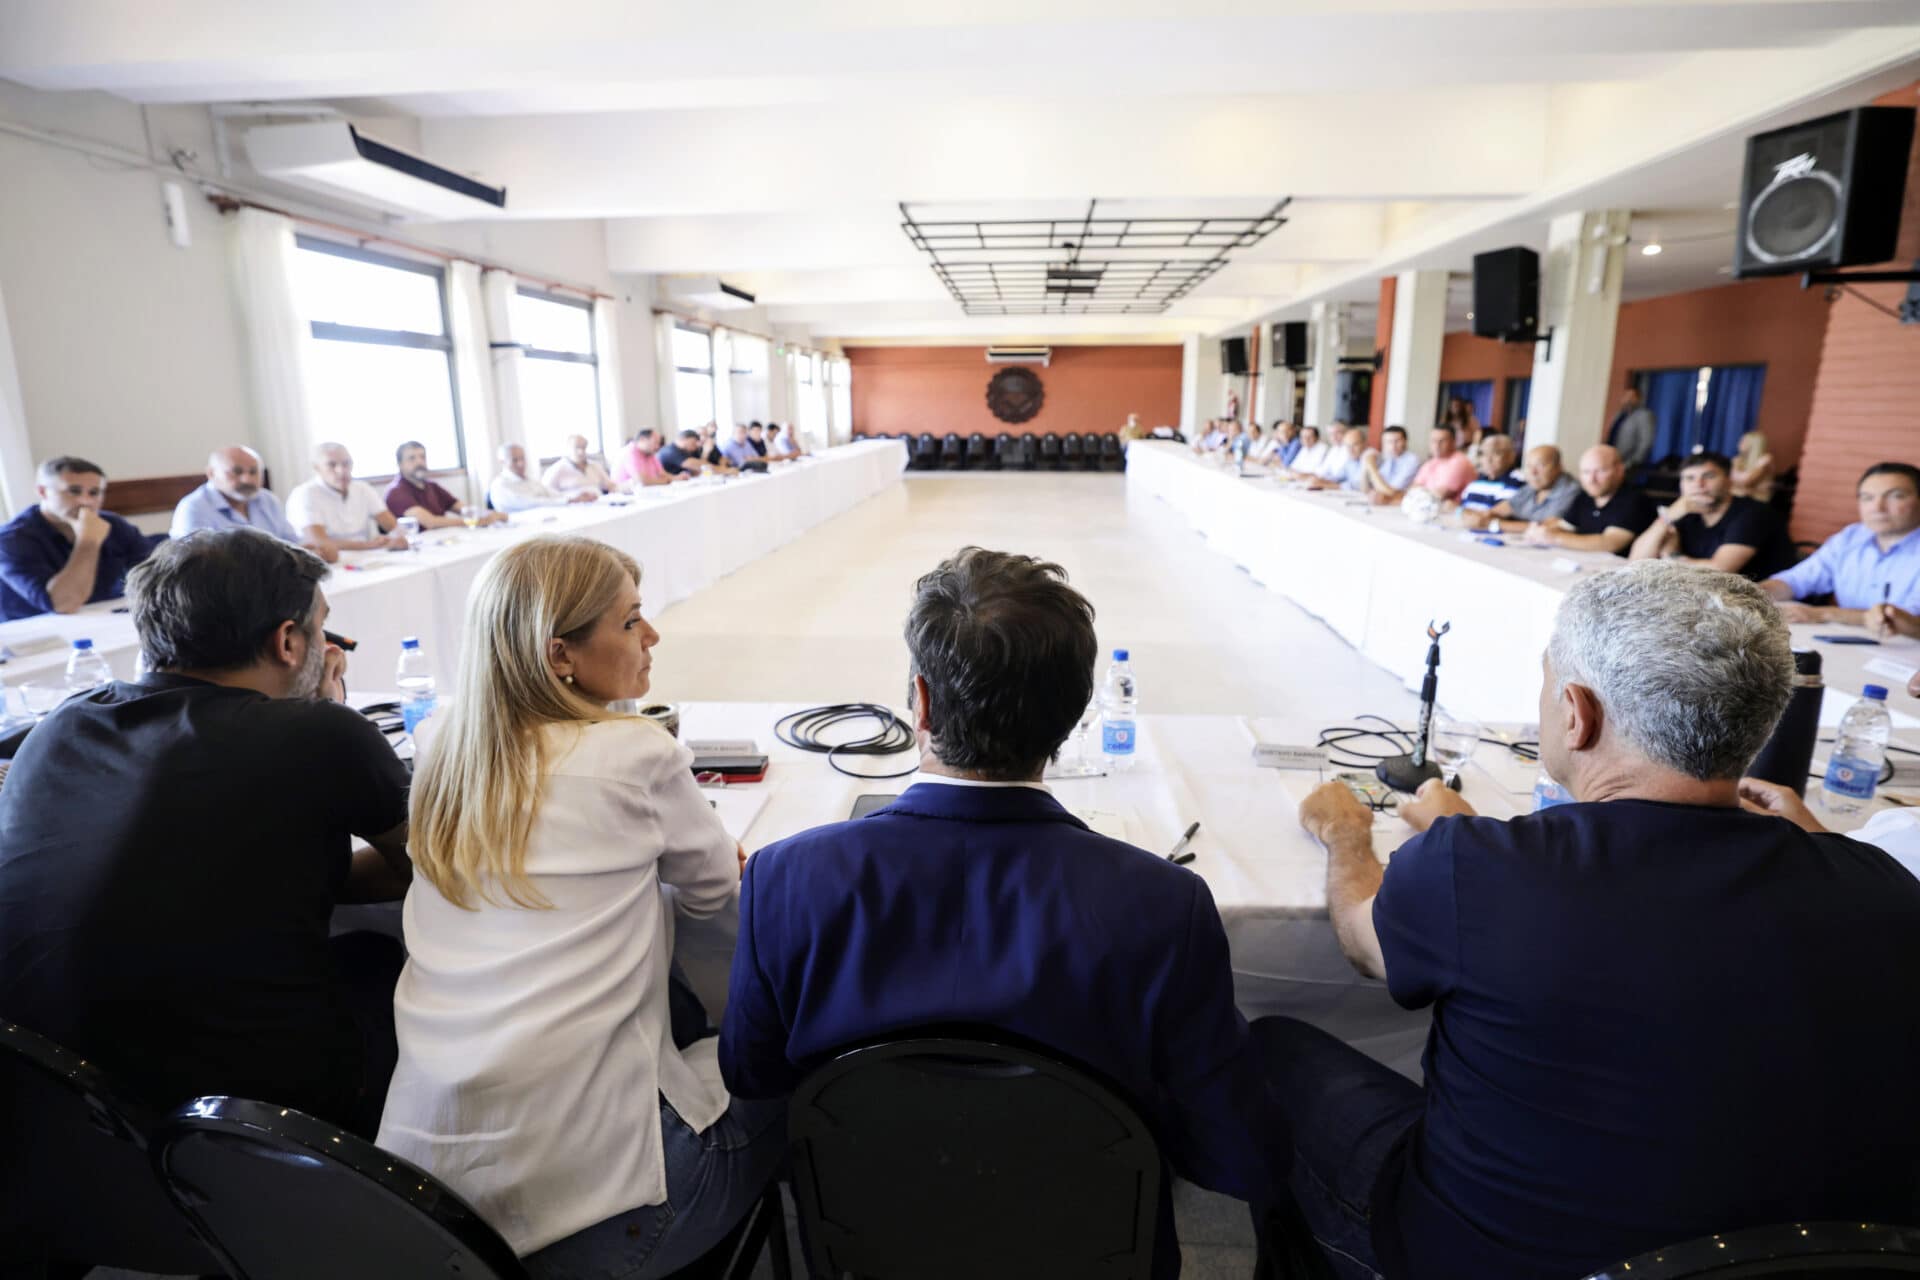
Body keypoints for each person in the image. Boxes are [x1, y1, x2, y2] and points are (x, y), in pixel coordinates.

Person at [1262, 561, 1920, 1280]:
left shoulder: (1476, 868)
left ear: (1577, 713)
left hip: (1483, 1259)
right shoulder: (1885, 887)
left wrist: (1346, 835)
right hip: (1823, 1258)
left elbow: (1364, 944)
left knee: (1274, 1048)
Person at [719, 548, 1291, 1280]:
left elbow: (751, 1073)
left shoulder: (784, 878)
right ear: (1073, 716)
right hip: (1090, 1248)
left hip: (872, 1244)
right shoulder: (1164, 904)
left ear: (921, 704)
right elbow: (1238, 1153)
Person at [378, 535, 780, 1276]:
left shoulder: (440, 746)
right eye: (630, 621)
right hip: (617, 1211)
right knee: (786, 1065)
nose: (652, 635)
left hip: (432, 1213)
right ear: (559, 654)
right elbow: (720, 900)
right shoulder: (635, 753)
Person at [0, 529, 412, 1136]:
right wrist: (325, 710)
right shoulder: (320, 733)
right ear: (289, 641)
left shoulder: (61, 725)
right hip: (241, 1117)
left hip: (52, 1099)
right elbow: (428, 865)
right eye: (323, 626)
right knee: (382, 959)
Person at [1762, 462, 1920, 624]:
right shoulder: (1851, 537)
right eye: (1867, 498)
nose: (1877, 507)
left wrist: (1822, 614)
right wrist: (1753, 595)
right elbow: (1796, 580)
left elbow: (1909, 619)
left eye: (1896, 496)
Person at [0, 456, 152, 622]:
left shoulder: (114, 525)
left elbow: (153, 577)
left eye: (94, 492)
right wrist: (88, 542)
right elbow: (64, 604)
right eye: (74, 491)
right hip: (35, 629)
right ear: (43, 492)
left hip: (99, 618)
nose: (86, 501)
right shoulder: (11, 539)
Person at [1630, 451, 1791, 580]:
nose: (1698, 485)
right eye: (1689, 478)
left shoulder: (1753, 513)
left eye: (1709, 476)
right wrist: (1667, 517)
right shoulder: (1685, 511)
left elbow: (1720, 571)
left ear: (1729, 481)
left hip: (1765, 601)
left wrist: (1673, 556)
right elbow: (1636, 560)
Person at [1523, 444, 1657, 556]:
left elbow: (1610, 543)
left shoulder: (1635, 500)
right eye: (1586, 472)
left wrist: (1555, 538)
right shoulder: (1585, 497)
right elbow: (1565, 526)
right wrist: (1540, 531)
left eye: (1600, 471)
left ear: (1619, 470)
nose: (1592, 480)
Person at [287, 442, 410, 557]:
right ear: (317, 468)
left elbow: (394, 527)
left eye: (346, 464)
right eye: (332, 465)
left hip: (368, 557)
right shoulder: (304, 494)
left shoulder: (363, 488)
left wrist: (397, 539)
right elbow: (319, 543)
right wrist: (370, 545)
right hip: (330, 561)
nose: (341, 471)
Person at [170, 445, 304, 550]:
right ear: (211, 473)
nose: (247, 479)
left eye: (253, 472)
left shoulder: (268, 500)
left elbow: (293, 545)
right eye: (237, 472)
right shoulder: (194, 508)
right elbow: (195, 564)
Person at [386, 440, 505, 529]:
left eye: (422, 457)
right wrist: (476, 521)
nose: (419, 462)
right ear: (400, 464)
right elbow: (430, 522)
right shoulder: (396, 492)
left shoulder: (432, 486)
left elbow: (464, 509)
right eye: (412, 458)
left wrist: (492, 515)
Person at [1473, 444, 1578, 528]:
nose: (1533, 472)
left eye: (1541, 465)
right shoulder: (1532, 487)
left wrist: (1494, 524)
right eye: (1529, 466)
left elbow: (1546, 526)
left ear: (1559, 467)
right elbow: (1501, 509)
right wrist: (1482, 516)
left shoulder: (1571, 490)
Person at [490, 443, 595, 513]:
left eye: (522, 458)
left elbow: (553, 494)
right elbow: (531, 503)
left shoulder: (530, 480)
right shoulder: (500, 485)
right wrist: (569, 500)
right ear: (502, 462)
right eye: (515, 460)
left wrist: (576, 497)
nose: (521, 464)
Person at [1455, 433, 1522, 515]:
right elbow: (1462, 508)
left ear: (1511, 457)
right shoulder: (1476, 482)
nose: (1488, 459)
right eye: (1484, 453)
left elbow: (1493, 515)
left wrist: (1457, 510)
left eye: (1496, 453)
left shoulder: (1516, 481)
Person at [1409, 424, 1478, 503]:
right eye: (1433, 440)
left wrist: (1420, 492)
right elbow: (1413, 489)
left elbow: (1440, 495)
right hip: (1427, 506)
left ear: (1453, 442)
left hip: (1450, 509)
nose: (1437, 445)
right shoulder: (1431, 462)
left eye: (1442, 441)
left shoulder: (1460, 462)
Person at [1359, 426, 1422, 503]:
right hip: (1382, 502)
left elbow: (1390, 492)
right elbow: (1365, 489)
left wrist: (1371, 466)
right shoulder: (1388, 458)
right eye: (1389, 442)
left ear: (1405, 441)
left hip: (1399, 504)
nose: (1393, 446)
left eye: (1397, 441)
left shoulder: (1412, 460)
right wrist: (1366, 465)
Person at [542, 434, 617, 498]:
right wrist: (571, 498)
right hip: (572, 505)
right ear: (568, 448)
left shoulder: (595, 466)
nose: (581, 452)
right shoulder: (557, 469)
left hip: (599, 503)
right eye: (577, 448)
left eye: (583, 448)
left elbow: (611, 486)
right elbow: (546, 493)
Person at [1608, 385, 1655, 471]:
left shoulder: (1644, 416)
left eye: (1631, 397)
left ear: (1639, 399)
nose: (1628, 399)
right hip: (1611, 462)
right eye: (1626, 396)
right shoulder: (1619, 416)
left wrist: (1631, 463)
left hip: (1628, 466)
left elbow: (1646, 442)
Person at [1307, 427, 1368, 492]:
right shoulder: (1351, 461)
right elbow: (1338, 477)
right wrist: (1322, 480)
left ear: (1365, 443)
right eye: (1348, 446)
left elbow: (1357, 485)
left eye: (1355, 444)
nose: (1350, 450)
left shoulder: (1369, 457)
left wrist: (1325, 485)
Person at [614, 429, 680, 488]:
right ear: (642, 439)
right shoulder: (630, 452)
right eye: (655, 442)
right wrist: (666, 481)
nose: (657, 447)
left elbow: (662, 474)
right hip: (626, 495)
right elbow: (643, 482)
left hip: (645, 492)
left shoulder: (649, 453)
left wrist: (677, 478)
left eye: (658, 443)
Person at [1730, 430, 1775, 503]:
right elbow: (1727, 480)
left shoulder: (1765, 460)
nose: (1739, 443)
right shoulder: (1737, 459)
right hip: (1738, 497)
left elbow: (1748, 483)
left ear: (1753, 445)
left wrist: (1734, 485)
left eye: (1743, 441)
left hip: (1756, 500)